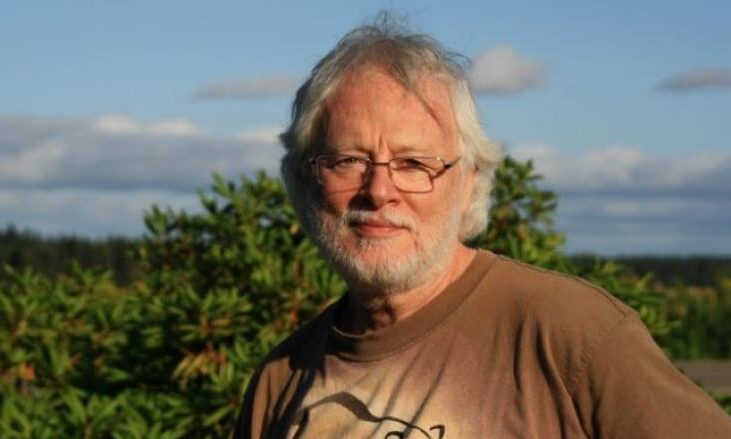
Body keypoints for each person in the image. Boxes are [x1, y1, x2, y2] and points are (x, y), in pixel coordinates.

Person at [234, 18, 731, 438]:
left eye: (413, 163)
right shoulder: (281, 380)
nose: (379, 190)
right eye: (348, 159)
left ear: (469, 182)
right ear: (304, 178)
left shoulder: (572, 338)